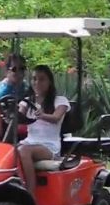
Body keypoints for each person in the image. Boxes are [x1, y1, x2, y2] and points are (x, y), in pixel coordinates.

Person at [18, 65, 71, 197]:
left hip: (49, 145)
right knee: (6, 150)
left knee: (23, 150)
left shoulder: (60, 101)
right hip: (30, 141)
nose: (37, 83)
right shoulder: (27, 102)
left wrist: (42, 115)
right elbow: (18, 120)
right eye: (34, 79)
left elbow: (55, 118)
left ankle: (30, 193)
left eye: (41, 79)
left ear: (49, 82)